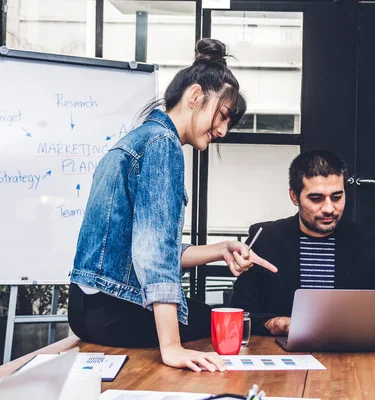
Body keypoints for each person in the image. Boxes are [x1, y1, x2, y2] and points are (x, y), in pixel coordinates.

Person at [68, 38, 277, 372]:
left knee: (210, 318)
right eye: (222, 116)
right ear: (195, 96)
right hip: (115, 311)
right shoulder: (163, 146)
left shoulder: (140, 138)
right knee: (222, 323)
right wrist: (172, 347)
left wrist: (222, 248)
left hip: (88, 308)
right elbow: (154, 254)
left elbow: (148, 247)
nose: (223, 130)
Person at [229, 149, 375, 336]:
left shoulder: (374, 242)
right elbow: (240, 313)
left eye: (337, 197)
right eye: (316, 199)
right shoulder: (265, 239)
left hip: (356, 353)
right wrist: (273, 323)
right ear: (294, 196)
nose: (329, 208)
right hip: (283, 352)